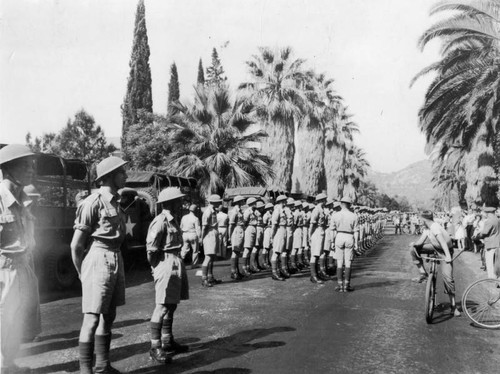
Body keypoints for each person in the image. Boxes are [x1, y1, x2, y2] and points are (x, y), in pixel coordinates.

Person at [71, 156, 129, 374]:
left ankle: (103, 365)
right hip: (98, 258)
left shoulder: (116, 201)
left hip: (115, 257)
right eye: (122, 172)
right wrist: (81, 273)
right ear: (110, 176)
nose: (126, 175)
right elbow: (76, 245)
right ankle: (86, 371)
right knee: (92, 317)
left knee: (109, 315)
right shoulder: (92, 202)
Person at [0, 144, 41, 374]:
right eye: (25, 164)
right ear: (9, 168)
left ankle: (8, 365)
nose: (31, 169)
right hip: (3, 268)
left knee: (17, 322)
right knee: (2, 322)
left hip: (23, 266)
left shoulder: (23, 199)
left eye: (31, 164)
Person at [146, 187, 189, 364]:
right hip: (165, 262)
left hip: (175, 261)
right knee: (162, 306)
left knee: (171, 305)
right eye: (178, 200)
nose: (181, 203)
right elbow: (151, 250)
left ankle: (167, 341)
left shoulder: (174, 220)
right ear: (170, 203)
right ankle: (155, 347)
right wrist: (156, 268)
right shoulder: (160, 221)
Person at [409, 210, 461, 317]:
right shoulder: (427, 228)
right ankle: (423, 273)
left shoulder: (435, 227)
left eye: (420, 219)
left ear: (424, 219)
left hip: (445, 250)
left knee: (448, 278)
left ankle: (453, 306)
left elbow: (442, 242)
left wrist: (447, 257)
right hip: (434, 247)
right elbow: (421, 242)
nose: (419, 220)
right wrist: (414, 244)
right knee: (412, 249)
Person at [331, 197, 359, 292]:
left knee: (339, 262)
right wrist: (356, 243)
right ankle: (347, 285)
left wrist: (332, 241)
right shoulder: (354, 216)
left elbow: (332, 230)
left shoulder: (335, 215)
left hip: (339, 236)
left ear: (341, 204)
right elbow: (356, 231)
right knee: (348, 262)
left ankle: (339, 285)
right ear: (350, 205)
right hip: (349, 236)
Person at [201, 194, 223, 287]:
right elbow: (204, 227)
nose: (220, 203)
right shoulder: (208, 212)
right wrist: (201, 238)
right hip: (209, 234)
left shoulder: (213, 211)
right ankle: (204, 279)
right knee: (208, 257)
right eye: (219, 202)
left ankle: (210, 277)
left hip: (213, 234)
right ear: (214, 202)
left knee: (212, 257)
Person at [474, 207, 500, 279]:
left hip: (490, 244)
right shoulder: (497, 220)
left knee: (490, 262)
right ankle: (498, 279)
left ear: (488, 213)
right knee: (497, 263)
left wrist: (477, 236)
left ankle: (492, 278)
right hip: (497, 243)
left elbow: (484, 233)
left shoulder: (489, 221)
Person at [309, 193, 327, 284]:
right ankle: (313, 275)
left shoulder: (321, 209)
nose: (326, 201)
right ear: (322, 200)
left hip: (321, 231)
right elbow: (312, 224)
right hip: (317, 232)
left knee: (318, 254)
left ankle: (316, 274)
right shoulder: (316, 209)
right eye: (325, 199)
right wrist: (309, 236)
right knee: (315, 254)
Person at [271, 195, 288, 281]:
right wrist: (272, 236)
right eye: (285, 201)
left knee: (282, 251)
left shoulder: (282, 210)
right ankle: (274, 273)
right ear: (281, 201)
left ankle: (279, 270)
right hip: (278, 231)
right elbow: (274, 225)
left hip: (283, 230)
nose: (286, 202)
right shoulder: (277, 211)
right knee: (276, 252)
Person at [228, 195, 245, 280]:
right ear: (238, 202)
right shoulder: (234, 211)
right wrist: (230, 236)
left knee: (238, 252)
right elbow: (231, 224)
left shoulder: (239, 210)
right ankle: (233, 271)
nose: (243, 202)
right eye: (242, 200)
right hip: (236, 230)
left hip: (240, 230)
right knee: (235, 252)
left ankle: (237, 271)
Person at [180, 204, 201, 270]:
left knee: (184, 250)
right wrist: (200, 238)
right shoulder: (196, 218)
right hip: (193, 234)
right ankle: (194, 264)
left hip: (185, 234)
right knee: (195, 250)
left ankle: (180, 263)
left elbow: (181, 227)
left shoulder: (184, 217)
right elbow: (198, 229)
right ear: (195, 210)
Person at [242, 197, 258, 276]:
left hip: (253, 229)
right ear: (252, 203)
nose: (256, 204)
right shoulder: (247, 212)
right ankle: (244, 268)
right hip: (249, 228)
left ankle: (248, 267)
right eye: (255, 202)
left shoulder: (254, 211)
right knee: (247, 249)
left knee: (250, 249)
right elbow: (244, 222)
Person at [292, 201, 304, 271]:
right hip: (297, 229)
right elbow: (294, 223)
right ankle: (294, 264)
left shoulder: (299, 213)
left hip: (299, 229)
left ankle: (298, 263)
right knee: (296, 247)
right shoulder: (296, 213)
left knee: (299, 247)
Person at [254, 201, 266, 270]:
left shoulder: (260, 213)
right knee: (256, 246)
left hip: (261, 228)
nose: (263, 208)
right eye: (262, 207)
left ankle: (257, 263)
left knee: (258, 247)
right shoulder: (256, 213)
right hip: (258, 228)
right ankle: (254, 265)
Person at [261, 202, 274, 269]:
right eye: (270, 208)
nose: (272, 209)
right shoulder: (266, 215)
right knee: (266, 246)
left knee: (270, 246)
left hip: (272, 230)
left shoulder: (272, 214)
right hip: (267, 230)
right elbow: (264, 224)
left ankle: (268, 261)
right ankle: (264, 262)